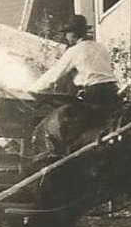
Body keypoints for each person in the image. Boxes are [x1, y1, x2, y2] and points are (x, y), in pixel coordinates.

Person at [29, 14, 121, 154]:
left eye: (67, 33)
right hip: (112, 93)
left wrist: (33, 88)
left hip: (93, 94)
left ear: (73, 34)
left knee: (66, 124)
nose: (66, 37)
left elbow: (54, 74)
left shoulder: (74, 51)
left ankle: (68, 151)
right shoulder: (101, 47)